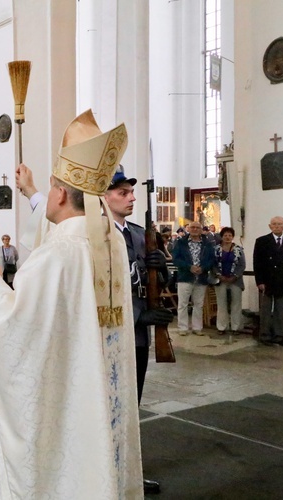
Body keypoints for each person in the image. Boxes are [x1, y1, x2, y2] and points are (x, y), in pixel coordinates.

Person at [0, 109, 142, 498]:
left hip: (69, 390)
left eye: (51, 185)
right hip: (102, 382)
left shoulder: (60, 251)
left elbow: (17, 323)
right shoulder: (109, 241)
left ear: (61, 192)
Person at [103, 165, 173, 495]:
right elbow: (97, 289)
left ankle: (128, 471)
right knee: (108, 407)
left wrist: (164, 270)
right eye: (123, 193)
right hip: (112, 335)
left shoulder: (136, 234)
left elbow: (149, 280)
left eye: (132, 192)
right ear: (104, 197)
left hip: (141, 338)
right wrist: (135, 317)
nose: (131, 198)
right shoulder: (96, 236)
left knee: (132, 405)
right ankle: (104, 474)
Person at [253, 216, 283, 346]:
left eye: (279, 224)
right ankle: (265, 335)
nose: (277, 226)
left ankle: (279, 335)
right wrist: (259, 281)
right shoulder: (262, 241)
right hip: (266, 281)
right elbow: (257, 263)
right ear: (270, 226)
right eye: (274, 224)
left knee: (280, 311)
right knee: (265, 311)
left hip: (282, 281)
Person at [171, 221, 215, 336]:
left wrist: (203, 268)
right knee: (183, 304)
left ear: (201, 230)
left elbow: (212, 259)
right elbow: (176, 259)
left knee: (198, 304)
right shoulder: (180, 242)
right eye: (192, 227)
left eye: (197, 228)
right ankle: (183, 328)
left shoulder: (207, 243)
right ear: (188, 229)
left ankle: (197, 327)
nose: (195, 229)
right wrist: (189, 267)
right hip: (185, 277)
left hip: (201, 277)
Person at [213, 227, 246, 334]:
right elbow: (213, 264)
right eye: (225, 235)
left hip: (235, 280)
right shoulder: (216, 249)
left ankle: (236, 327)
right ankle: (222, 327)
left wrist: (235, 276)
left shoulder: (239, 249)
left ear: (233, 237)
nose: (227, 237)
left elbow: (242, 265)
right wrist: (219, 275)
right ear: (222, 237)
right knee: (221, 304)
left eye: (230, 235)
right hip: (220, 280)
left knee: (236, 304)